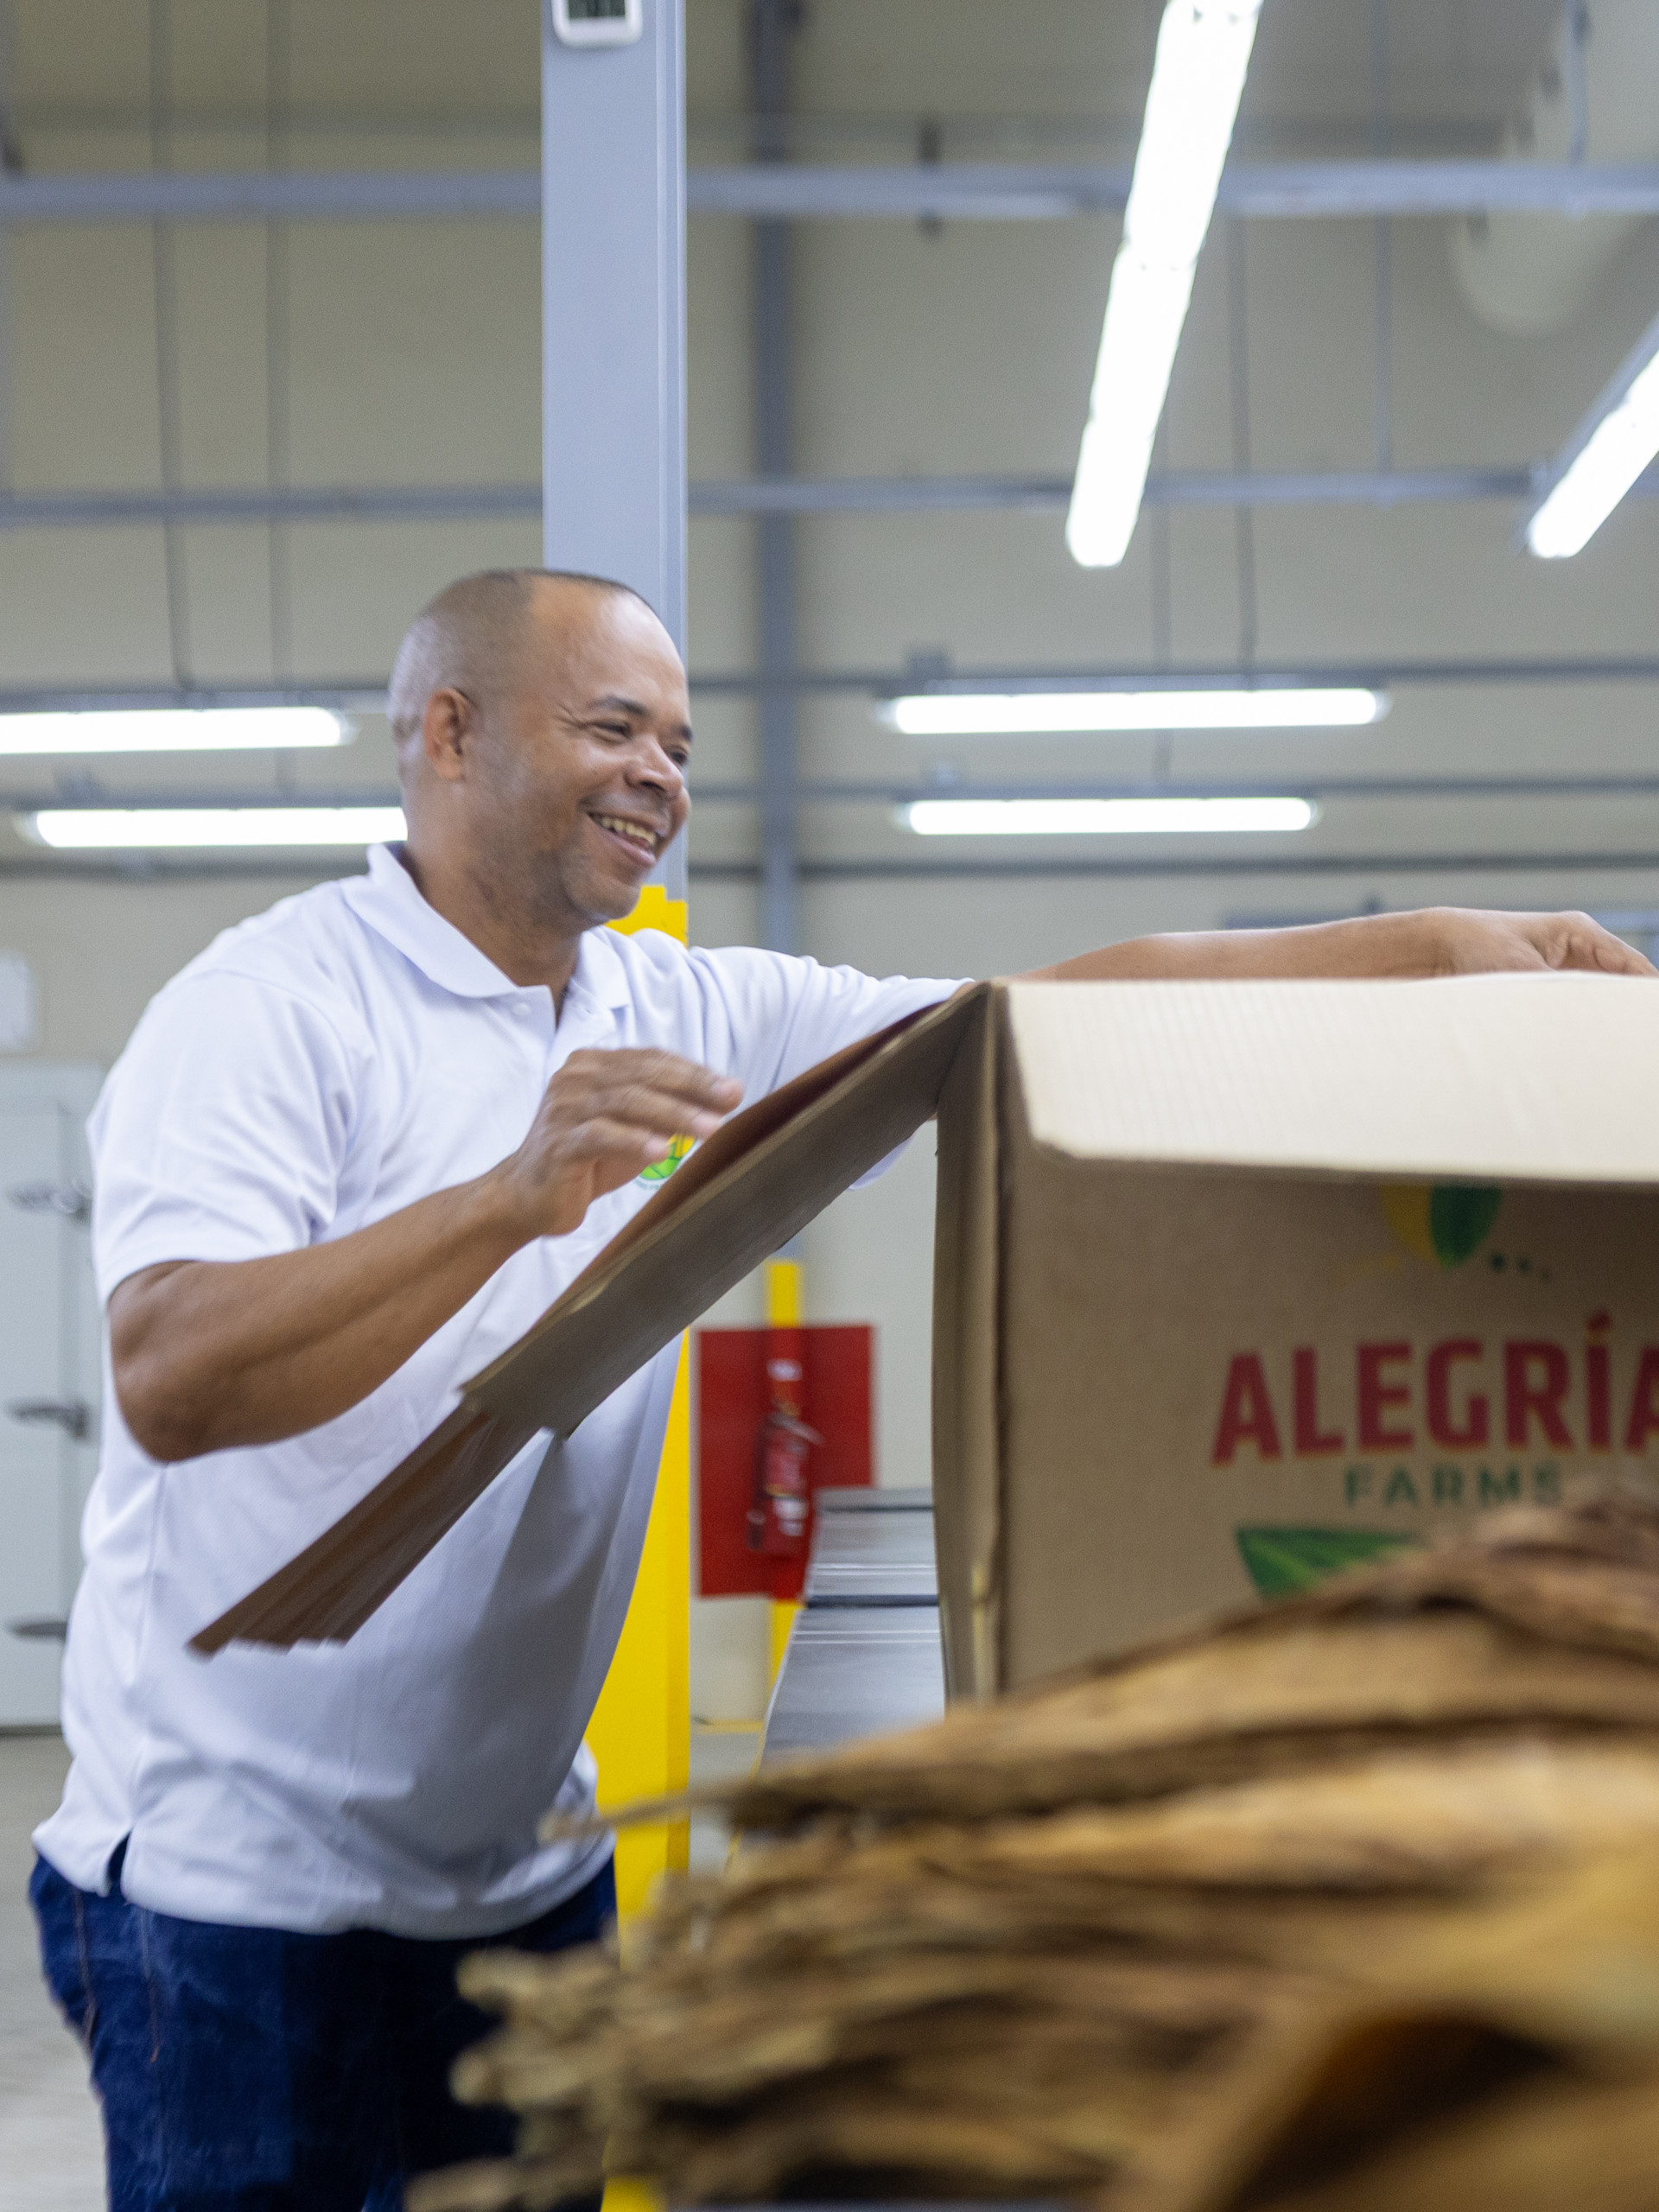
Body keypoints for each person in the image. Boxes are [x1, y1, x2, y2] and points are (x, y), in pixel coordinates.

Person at [29, 567, 1651, 2212]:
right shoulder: (268, 1013)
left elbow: (1030, 1015)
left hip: (511, 1873)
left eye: (679, 744)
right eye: (614, 727)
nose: (661, 775)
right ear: (448, 732)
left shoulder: (683, 1009)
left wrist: (1443, 948)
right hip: (232, 1900)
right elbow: (173, 1374)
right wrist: (505, 1199)